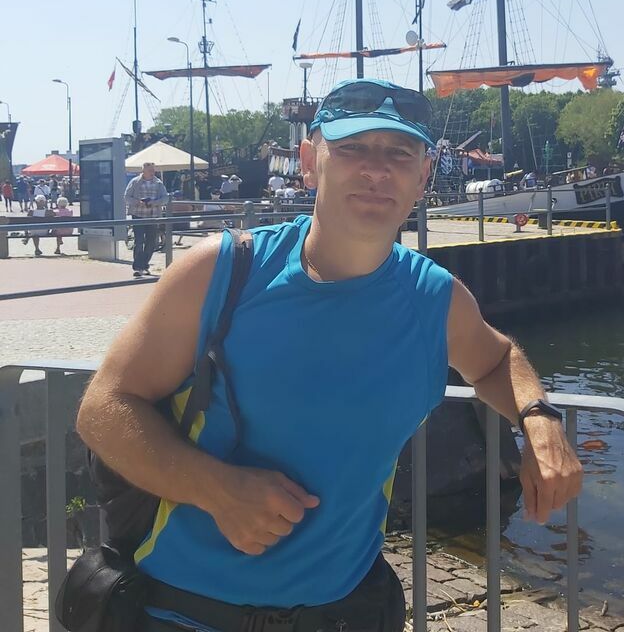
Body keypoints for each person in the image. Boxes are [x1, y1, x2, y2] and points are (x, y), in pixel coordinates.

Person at [76, 78, 583, 632]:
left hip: (344, 614)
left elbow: (494, 360)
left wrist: (540, 419)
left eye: (399, 153)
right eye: (352, 148)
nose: (376, 170)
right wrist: (215, 489)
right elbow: (103, 408)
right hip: (180, 613)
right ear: (309, 163)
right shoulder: (223, 272)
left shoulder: (434, 299)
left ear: (423, 176)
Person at [124, 161, 170, 277]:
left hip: (153, 215)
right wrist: (138, 202)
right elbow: (126, 197)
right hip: (138, 214)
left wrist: (155, 202)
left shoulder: (158, 183)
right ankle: (138, 267)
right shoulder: (135, 182)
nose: (152, 172)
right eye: (150, 170)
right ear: (143, 170)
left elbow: (165, 198)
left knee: (151, 242)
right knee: (139, 241)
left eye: (153, 170)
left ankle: (144, 265)